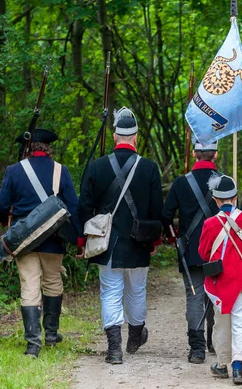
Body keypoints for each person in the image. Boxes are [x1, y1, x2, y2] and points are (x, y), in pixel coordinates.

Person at [78, 107, 163, 364]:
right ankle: (134, 337)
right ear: (135, 137)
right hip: (139, 241)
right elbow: (157, 210)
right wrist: (154, 241)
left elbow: (84, 206)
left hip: (106, 243)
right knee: (136, 291)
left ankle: (114, 349)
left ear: (115, 137)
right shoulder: (149, 168)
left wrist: (82, 241)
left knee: (110, 292)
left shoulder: (96, 167)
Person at [0, 128, 82, 358]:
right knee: (53, 283)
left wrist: (7, 222)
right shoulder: (61, 171)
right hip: (54, 238)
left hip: (24, 241)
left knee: (29, 286)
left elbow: (0, 205)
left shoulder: (14, 171)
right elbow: (74, 207)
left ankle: (33, 344)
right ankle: (51, 334)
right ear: (48, 148)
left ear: (27, 148)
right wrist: (80, 239)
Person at [198, 174, 242, 385]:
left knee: (221, 323)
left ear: (215, 199)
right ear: (236, 197)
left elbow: (203, 253)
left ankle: (221, 363)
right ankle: (237, 368)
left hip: (219, 282)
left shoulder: (210, 223)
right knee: (240, 324)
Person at [162, 139, 220, 363]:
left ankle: (197, 350)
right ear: (215, 155)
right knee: (218, 295)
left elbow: (166, 215)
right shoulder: (225, 182)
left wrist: (173, 236)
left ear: (195, 154)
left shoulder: (180, 182)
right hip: (218, 249)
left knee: (194, 297)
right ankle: (215, 340)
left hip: (191, 249)